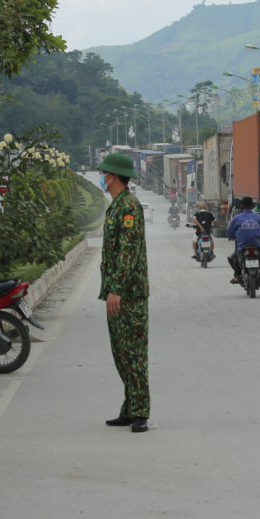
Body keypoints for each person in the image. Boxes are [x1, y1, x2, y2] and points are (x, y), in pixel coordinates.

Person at [98, 153, 151, 433]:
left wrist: (116, 290)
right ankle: (130, 409)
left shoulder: (128, 206)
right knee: (121, 353)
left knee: (133, 354)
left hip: (129, 294)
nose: (102, 178)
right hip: (117, 291)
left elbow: (128, 253)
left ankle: (140, 412)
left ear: (114, 176)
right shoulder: (117, 205)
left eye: (104, 173)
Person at [226, 196, 260, 285]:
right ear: (252, 206)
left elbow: (230, 232)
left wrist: (231, 237)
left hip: (242, 244)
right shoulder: (259, 217)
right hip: (255, 243)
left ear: (242, 206)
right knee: (259, 255)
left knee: (235, 257)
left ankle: (237, 276)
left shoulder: (237, 218)